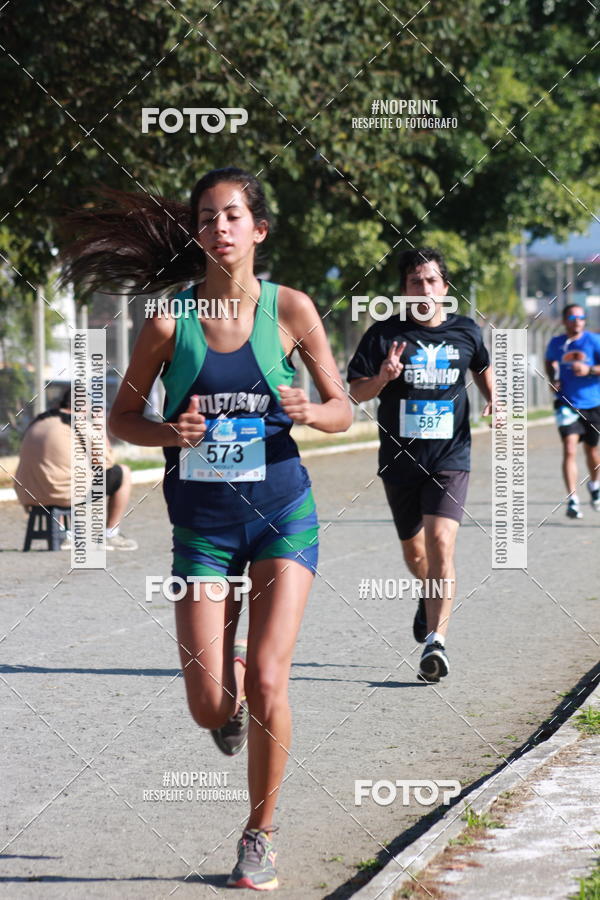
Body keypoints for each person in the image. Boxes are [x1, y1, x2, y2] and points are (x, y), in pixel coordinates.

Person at [60, 168, 352, 891]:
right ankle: (233, 690)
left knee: (275, 681)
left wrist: (312, 412)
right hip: (204, 531)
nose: (219, 226)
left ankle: (260, 835)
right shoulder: (168, 324)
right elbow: (123, 419)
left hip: (283, 516)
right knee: (208, 705)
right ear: (196, 233)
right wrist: (172, 431)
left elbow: (343, 408)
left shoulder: (291, 309)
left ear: (258, 230)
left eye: (232, 215)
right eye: (206, 216)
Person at [347, 247, 493, 683]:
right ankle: (428, 596)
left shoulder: (466, 330)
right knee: (416, 554)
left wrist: (495, 400)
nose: (424, 288)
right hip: (400, 461)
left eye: (431, 281)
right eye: (416, 282)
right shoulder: (384, 335)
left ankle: (436, 643)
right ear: (404, 290)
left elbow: (482, 366)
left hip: (451, 456)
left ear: (445, 287)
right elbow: (355, 393)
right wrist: (383, 377)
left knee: (441, 542)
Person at [14, 387, 138, 550]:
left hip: (27, 494)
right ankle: (110, 534)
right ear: (84, 406)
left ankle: (66, 533)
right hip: (62, 494)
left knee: (64, 472)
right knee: (123, 473)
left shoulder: (38, 421)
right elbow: (108, 462)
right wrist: (100, 427)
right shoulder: (77, 423)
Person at [545, 304, 600, 519]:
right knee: (569, 448)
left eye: (581, 317)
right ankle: (573, 500)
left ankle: (595, 485)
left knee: (592, 451)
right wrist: (553, 378)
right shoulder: (557, 343)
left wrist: (590, 369)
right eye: (572, 317)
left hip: (593, 403)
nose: (577, 321)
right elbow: (549, 361)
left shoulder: (594, 341)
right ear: (564, 321)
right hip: (566, 403)